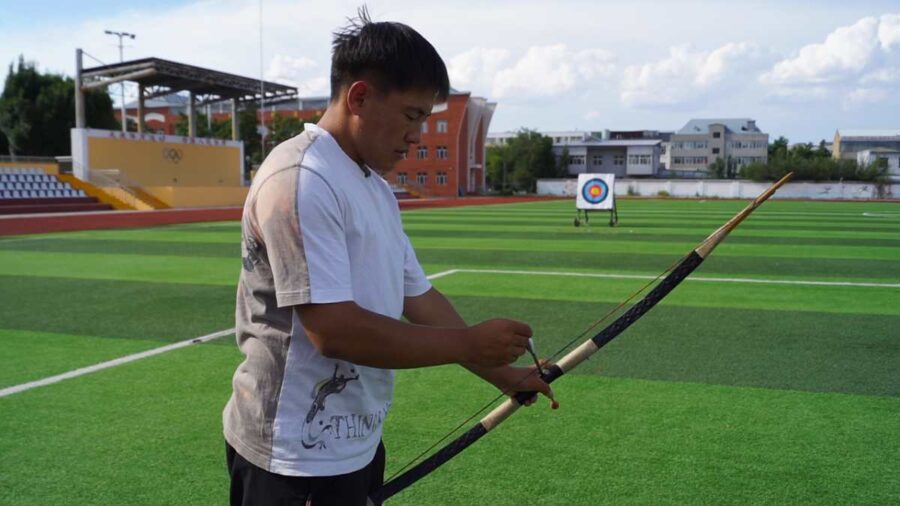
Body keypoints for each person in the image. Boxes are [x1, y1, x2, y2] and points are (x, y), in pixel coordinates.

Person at [223, 8, 554, 506]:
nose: (416, 136)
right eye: (411, 115)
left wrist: (504, 375)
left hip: (356, 444)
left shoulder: (374, 186)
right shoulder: (301, 178)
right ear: (359, 97)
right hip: (291, 458)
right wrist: (469, 344)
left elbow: (417, 296)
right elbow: (333, 331)